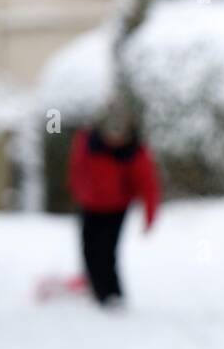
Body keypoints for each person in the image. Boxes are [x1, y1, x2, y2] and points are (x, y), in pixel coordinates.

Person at [67, 103, 161, 307]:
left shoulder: (134, 152)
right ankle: (96, 289)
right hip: (90, 205)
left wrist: (150, 216)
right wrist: (78, 191)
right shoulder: (88, 142)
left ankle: (112, 294)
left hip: (116, 209)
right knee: (89, 250)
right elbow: (77, 168)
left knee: (108, 251)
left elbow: (148, 185)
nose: (115, 137)